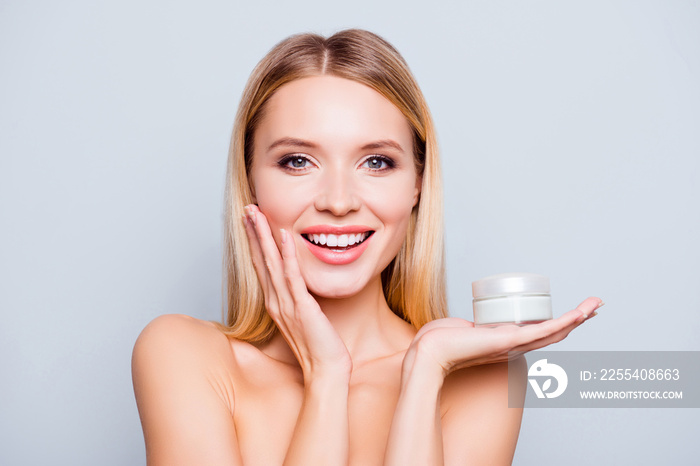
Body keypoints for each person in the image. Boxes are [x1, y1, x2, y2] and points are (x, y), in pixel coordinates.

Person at [131, 28, 602, 465]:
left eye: (376, 162)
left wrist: (425, 370)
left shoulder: (480, 378)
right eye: (297, 161)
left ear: (418, 184)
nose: (338, 202)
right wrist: (326, 378)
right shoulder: (182, 355)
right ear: (251, 181)